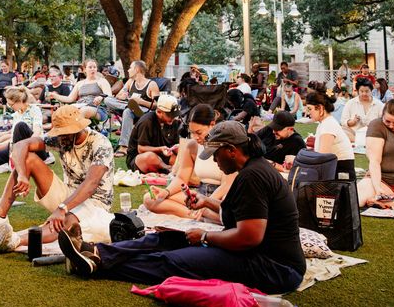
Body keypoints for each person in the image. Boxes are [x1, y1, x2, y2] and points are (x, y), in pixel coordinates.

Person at [56, 120, 306, 294]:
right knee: (163, 240)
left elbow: (249, 237)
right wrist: (208, 201)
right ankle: (97, 252)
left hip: (275, 269)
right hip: (252, 253)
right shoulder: (250, 171)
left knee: (173, 260)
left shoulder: (254, 176)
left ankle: (95, 266)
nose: (215, 162)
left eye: (216, 155)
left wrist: (206, 236)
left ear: (231, 151)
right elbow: (243, 215)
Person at [0, 105, 115, 253]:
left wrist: (62, 208)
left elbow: (91, 184)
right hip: (68, 193)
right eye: (59, 133)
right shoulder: (62, 139)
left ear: (77, 129)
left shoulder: (101, 143)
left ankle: (15, 240)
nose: (61, 137)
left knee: (68, 221)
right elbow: (20, 145)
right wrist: (22, 175)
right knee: (27, 160)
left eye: (64, 133)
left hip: (95, 202)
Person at [142, 105, 233, 219]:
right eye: (192, 133)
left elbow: (227, 184)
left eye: (199, 132)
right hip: (200, 195)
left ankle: (203, 215)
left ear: (212, 124)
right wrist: (166, 192)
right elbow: (181, 178)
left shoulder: (226, 145)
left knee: (230, 210)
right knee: (150, 198)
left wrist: (207, 203)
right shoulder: (192, 146)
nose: (195, 137)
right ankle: (195, 215)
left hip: (221, 197)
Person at [109, 59, 160, 156]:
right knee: (108, 100)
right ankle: (130, 105)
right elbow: (118, 96)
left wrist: (141, 102)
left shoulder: (151, 84)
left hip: (144, 111)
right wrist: (122, 96)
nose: (128, 70)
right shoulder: (130, 82)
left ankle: (124, 148)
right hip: (127, 106)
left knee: (127, 112)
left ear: (136, 70)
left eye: (130, 68)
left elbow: (156, 105)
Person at [304, 89, 355, 179]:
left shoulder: (328, 125)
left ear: (320, 108)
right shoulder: (324, 123)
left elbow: (322, 156)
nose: (308, 113)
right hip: (334, 169)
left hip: (340, 172)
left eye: (310, 109)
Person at [126, 94, 183, 173]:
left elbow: (175, 144)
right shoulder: (147, 121)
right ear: (159, 112)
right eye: (170, 115)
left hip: (163, 155)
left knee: (181, 159)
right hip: (140, 157)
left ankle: (169, 169)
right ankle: (168, 169)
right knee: (150, 157)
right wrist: (160, 149)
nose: (173, 118)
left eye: (174, 115)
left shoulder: (174, 122)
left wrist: (178, 148)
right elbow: (141, 149)